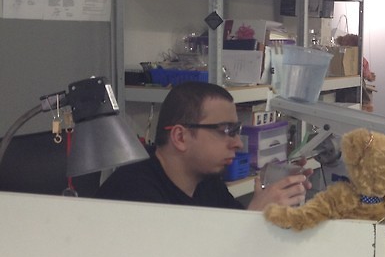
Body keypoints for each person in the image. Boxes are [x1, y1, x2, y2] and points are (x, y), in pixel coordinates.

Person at [96, 81, 309, 210]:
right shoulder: (133, 194)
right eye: (225, 130)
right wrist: (255, 215)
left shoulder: (206, 182)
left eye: (236, 131)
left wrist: (269, 198)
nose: (237, 143)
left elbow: (228, 235)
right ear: (180, 137)